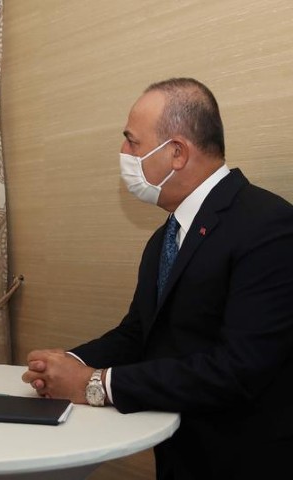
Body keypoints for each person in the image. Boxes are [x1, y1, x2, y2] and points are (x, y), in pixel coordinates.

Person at [22, 78, 293, 480]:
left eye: (132, 142)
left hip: (243, 460)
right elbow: (138, 333)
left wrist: (94, 384)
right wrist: (67, 363)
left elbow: (237, 369)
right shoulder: (166, 236)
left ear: (177, 153)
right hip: (179, 454)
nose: (123, 153)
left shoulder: (268, 226)